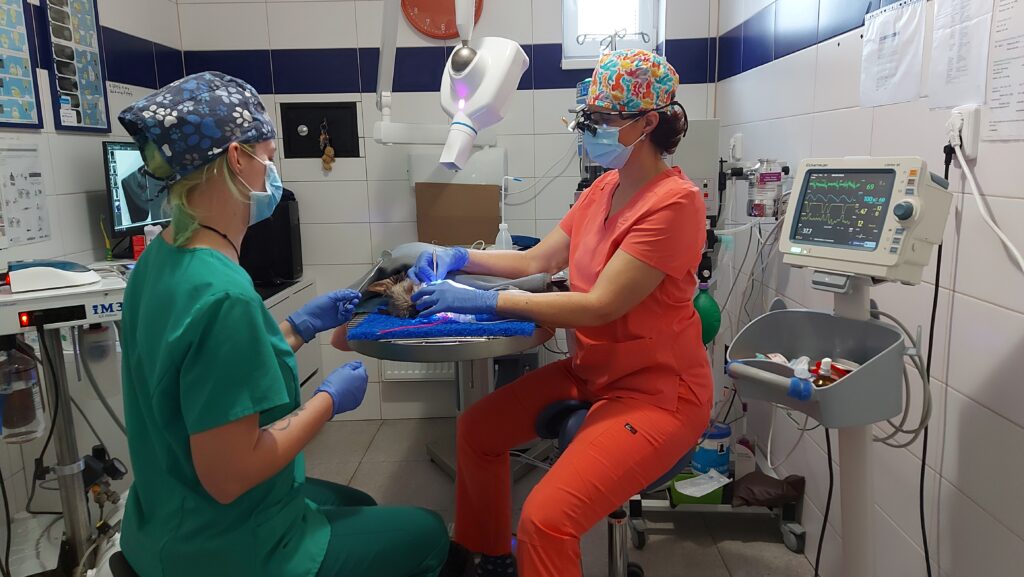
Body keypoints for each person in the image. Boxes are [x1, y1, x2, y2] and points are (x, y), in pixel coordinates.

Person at [117, 72, 454, 577]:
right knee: (427, 533)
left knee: (359, 502)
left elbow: (206, 376)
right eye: (269, 158)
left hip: (163, 518)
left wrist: (298, 327)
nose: (272, 175)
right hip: (224, 552)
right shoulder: (224, 295)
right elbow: (231, 475)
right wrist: (329, 401)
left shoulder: (159, 260)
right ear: (236, 159)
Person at [408, 50, 714, 577]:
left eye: (602, 120)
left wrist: (487, 301)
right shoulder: (603, 188)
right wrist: (455, 256)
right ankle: (486, 556)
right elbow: (537, 260)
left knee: (546, 521)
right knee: (477, 430)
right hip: (591, 372)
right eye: (586, 119)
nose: (590, 131)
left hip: (658, 393)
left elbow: (600, 306)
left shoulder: (675, 204)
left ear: (647, 123)